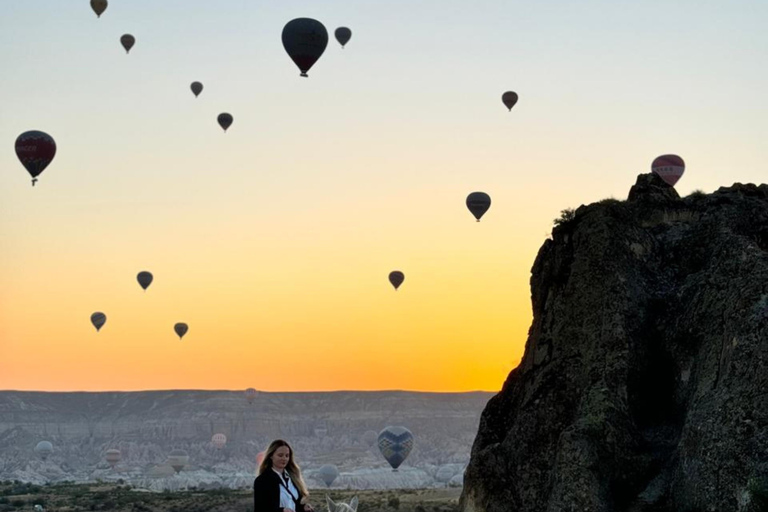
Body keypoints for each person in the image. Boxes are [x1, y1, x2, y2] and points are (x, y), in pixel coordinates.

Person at [254, 439, 315, 512]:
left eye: (287, 456)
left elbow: (293, 504)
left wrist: (303, 508)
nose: (284, 459)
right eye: (280, 455)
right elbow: (261, 509)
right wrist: (281, 511)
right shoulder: (262, 480)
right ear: (271, 456)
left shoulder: (293, 478)